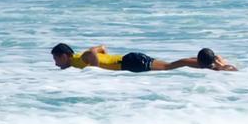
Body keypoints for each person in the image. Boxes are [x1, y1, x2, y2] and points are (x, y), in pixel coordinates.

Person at [51, 43, 237, 72]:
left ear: (64, 56)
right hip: (129, 59)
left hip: (129, 62)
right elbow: (102, 47)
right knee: (169, 65)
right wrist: (105, 60)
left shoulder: (77, 58)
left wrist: (97, 70)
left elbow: (93, 51)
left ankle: (213, 63)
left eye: (56, 59)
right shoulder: (75, 60)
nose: (55, 63)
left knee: (168, 66)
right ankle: (212, 63)